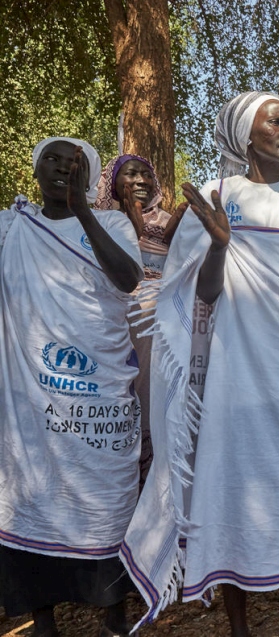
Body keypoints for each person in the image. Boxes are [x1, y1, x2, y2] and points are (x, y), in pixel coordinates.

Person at [119, 92, 279, 637]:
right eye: (277, 121)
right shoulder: (217, 195)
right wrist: (221, 246)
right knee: (228, 486)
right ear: (246, 134)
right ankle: (240, 627)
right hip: (235, 373)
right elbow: (201, 292)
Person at [0, 138, 143, 636]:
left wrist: (85, 213)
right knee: (35, 494)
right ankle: (43, 617)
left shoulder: (114, 223)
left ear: (91, 175)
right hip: (32, 398)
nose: (62, 169)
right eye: (52, 161)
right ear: (35, 169)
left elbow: (128, 279)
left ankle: (114, 610)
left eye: (74, 164)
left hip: (98, 399)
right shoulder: (11, 226)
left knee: (104, 498)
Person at [94, 154, 187, 487]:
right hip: (117, 313)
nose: (141, 180)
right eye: (131, 174)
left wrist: (177, 235)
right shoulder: (99, 223)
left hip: (165, 318)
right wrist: (130, 231)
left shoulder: (172, 221)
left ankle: (157, 470)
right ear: (113, 184)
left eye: (147, 174)